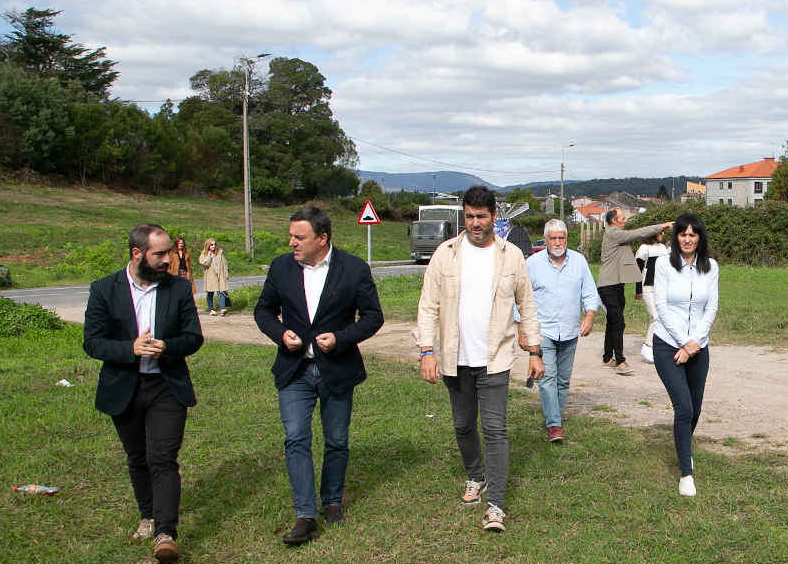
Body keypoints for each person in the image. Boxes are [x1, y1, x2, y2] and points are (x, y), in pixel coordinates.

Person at [416, 185, 544, 533]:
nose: (475, 223)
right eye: (469, 216)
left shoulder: (511, 256)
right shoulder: (445, 254)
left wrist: (534, 350)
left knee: (495, 429)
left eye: (481, 217)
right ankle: (476, 475)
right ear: (464, 216)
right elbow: (428, 305)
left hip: (496, 358)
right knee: (462, 424)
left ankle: (496, 506)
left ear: (493, 217)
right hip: (454, 358)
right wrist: (426, 350)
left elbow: (527, 305)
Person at [254, 206, 384, 545]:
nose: (291, 242)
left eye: (299, 237)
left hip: (337, 369)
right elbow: (263, 310)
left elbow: (373, 317)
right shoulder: (282, 267)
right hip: (294, 369)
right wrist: (281, 334)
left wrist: (341, 338)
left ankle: (332, 501)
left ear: (322, 238)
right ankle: (305, 514)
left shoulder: (354, 269)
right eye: (291, 236)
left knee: (336, 439)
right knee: (296, 437)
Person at [82, 224, 204, 564]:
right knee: (137, 457)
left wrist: (166, 346)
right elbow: (92, 342)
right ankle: (148, 517)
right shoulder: (105, 289)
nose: (169, 260)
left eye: (170, 252)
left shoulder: (178, 288)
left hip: (167, 385)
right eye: (160, 254)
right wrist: (130, 348)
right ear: (137, 254)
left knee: (162, 459)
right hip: (125, 386)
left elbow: (193, 338)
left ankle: (166, 533)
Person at [652, 212, 718, 497]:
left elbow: (711, 308)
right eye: (683, 234)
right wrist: (682, 343)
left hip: (699, 347)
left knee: (696, 408)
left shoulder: (711, 267)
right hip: (668, 344)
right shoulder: (663, 264)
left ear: (699, 238)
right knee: (684, 407)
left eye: (693, 234)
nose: (688, 239)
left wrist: (695, 344)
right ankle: (686, 473)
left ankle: (683, 446)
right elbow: (662, 308)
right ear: (676, 237)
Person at [518, 219, 600, 443]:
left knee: (563, 381)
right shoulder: (533, 264)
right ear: (545, 240)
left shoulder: (579, 261)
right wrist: (521, 330)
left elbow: (590, 293)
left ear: (566, 238)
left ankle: (554, 414)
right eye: (552, 238)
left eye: (561, 238)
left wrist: (590, 316)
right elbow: (522, 298)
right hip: (543, 332)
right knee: (547, 377)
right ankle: (554, 425)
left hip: (570, 331)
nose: (557, 242)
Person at [596, 209, 671, 376]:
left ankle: (608, 358)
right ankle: (620, 361)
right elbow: (638, 233)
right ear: (614, 220)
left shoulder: (616, 233)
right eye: (623, 218)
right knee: (618, 321)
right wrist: (661, 226)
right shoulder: (613, 233)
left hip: (616, 284)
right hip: (607, 285)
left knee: (613, 321)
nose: (625, 221)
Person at [634, 230, 668, 364]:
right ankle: (648, 347)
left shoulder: (663, 248)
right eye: (661, 232)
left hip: (661, 288)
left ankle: (658, 347)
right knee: (655, 317)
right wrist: (638, 291)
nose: (663, 234)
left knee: (659, 317)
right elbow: (637, 270)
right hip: (647, 288)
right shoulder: (643, 249)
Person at [198, 238, 230, 315]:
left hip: (220, 274)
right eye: (211, 244)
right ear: (208, 245)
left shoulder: (220, 253)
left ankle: (222, 309)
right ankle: (211, 309)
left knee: (222, 291)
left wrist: (226, 274)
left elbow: (224, 264)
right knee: (210, 292)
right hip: (210, 276)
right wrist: (209, 256)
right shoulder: (204, 254)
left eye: (215, 244)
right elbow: (204, 263)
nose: (213, 246)